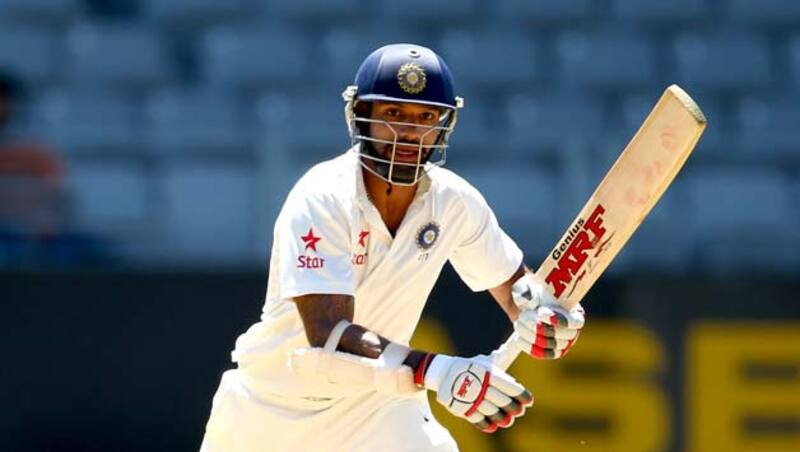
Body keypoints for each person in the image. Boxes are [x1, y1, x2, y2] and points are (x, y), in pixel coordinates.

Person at [200, 43, 586, 452]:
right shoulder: (324, 196)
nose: (409, 133)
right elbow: (328, 335)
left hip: (378, 405)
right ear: (359, 114)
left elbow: (517, 291)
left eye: (425, 117)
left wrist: (545, 315)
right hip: (272, 407)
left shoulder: (454, 202)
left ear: (444, 124)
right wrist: (435, 370)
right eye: (393, 114)